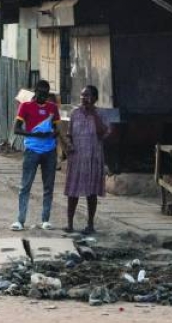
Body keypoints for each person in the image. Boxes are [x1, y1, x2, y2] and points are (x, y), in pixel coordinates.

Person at [12, 80, 61, 231]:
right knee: (25, 186)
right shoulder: (25, 106)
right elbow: (16, 129)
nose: (43, 97)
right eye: (40, 93)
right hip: (32, 149)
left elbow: (57, 129)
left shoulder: (53, 108)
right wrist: (34, 133)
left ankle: (45, 219)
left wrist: (52, 133)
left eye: (46, 94)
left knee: (49, 186)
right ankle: (20, 220)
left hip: (49, 150)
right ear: (35, 92)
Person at [63, 85, 110, 235]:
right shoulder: (74, 113)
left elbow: (103, 133)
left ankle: (90, 225)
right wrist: (69, 145)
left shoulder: (101, 114)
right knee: (73, 192)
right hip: (76, 158)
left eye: (88, 96)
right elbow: (69, 134)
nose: (84, 98)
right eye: (83, 95)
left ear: (95, 99)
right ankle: (69, 224)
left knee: (92, 193)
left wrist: (93, 114)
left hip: (93, 158)